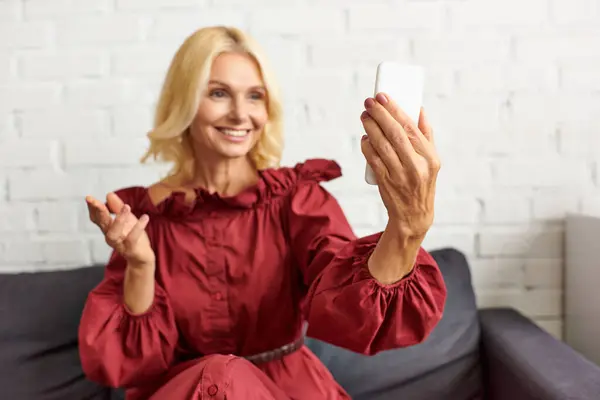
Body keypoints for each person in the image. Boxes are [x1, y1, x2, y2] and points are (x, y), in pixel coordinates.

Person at [78, 26, 446, 400]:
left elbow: (351, 310)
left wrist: (406, 228)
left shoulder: (297, 202)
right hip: (184, 393)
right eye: (219, 93)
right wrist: (141, 265)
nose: (240, 114)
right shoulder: (144, 219)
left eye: (254, 96)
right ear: (184, 102)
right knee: (220, 374)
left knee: (229, 377)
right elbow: (128, 364)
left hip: (283, 391)